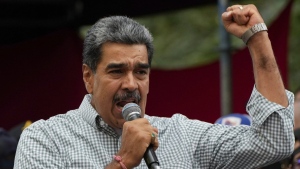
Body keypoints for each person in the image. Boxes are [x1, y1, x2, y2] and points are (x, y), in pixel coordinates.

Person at [14, 4, 294, 169]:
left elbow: (274, 143)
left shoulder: (183, 135)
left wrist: (258, 40)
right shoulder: (44, 138)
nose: (131, 84)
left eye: (141, 71)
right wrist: (123, 161)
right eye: (117, 71)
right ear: (88, 77)